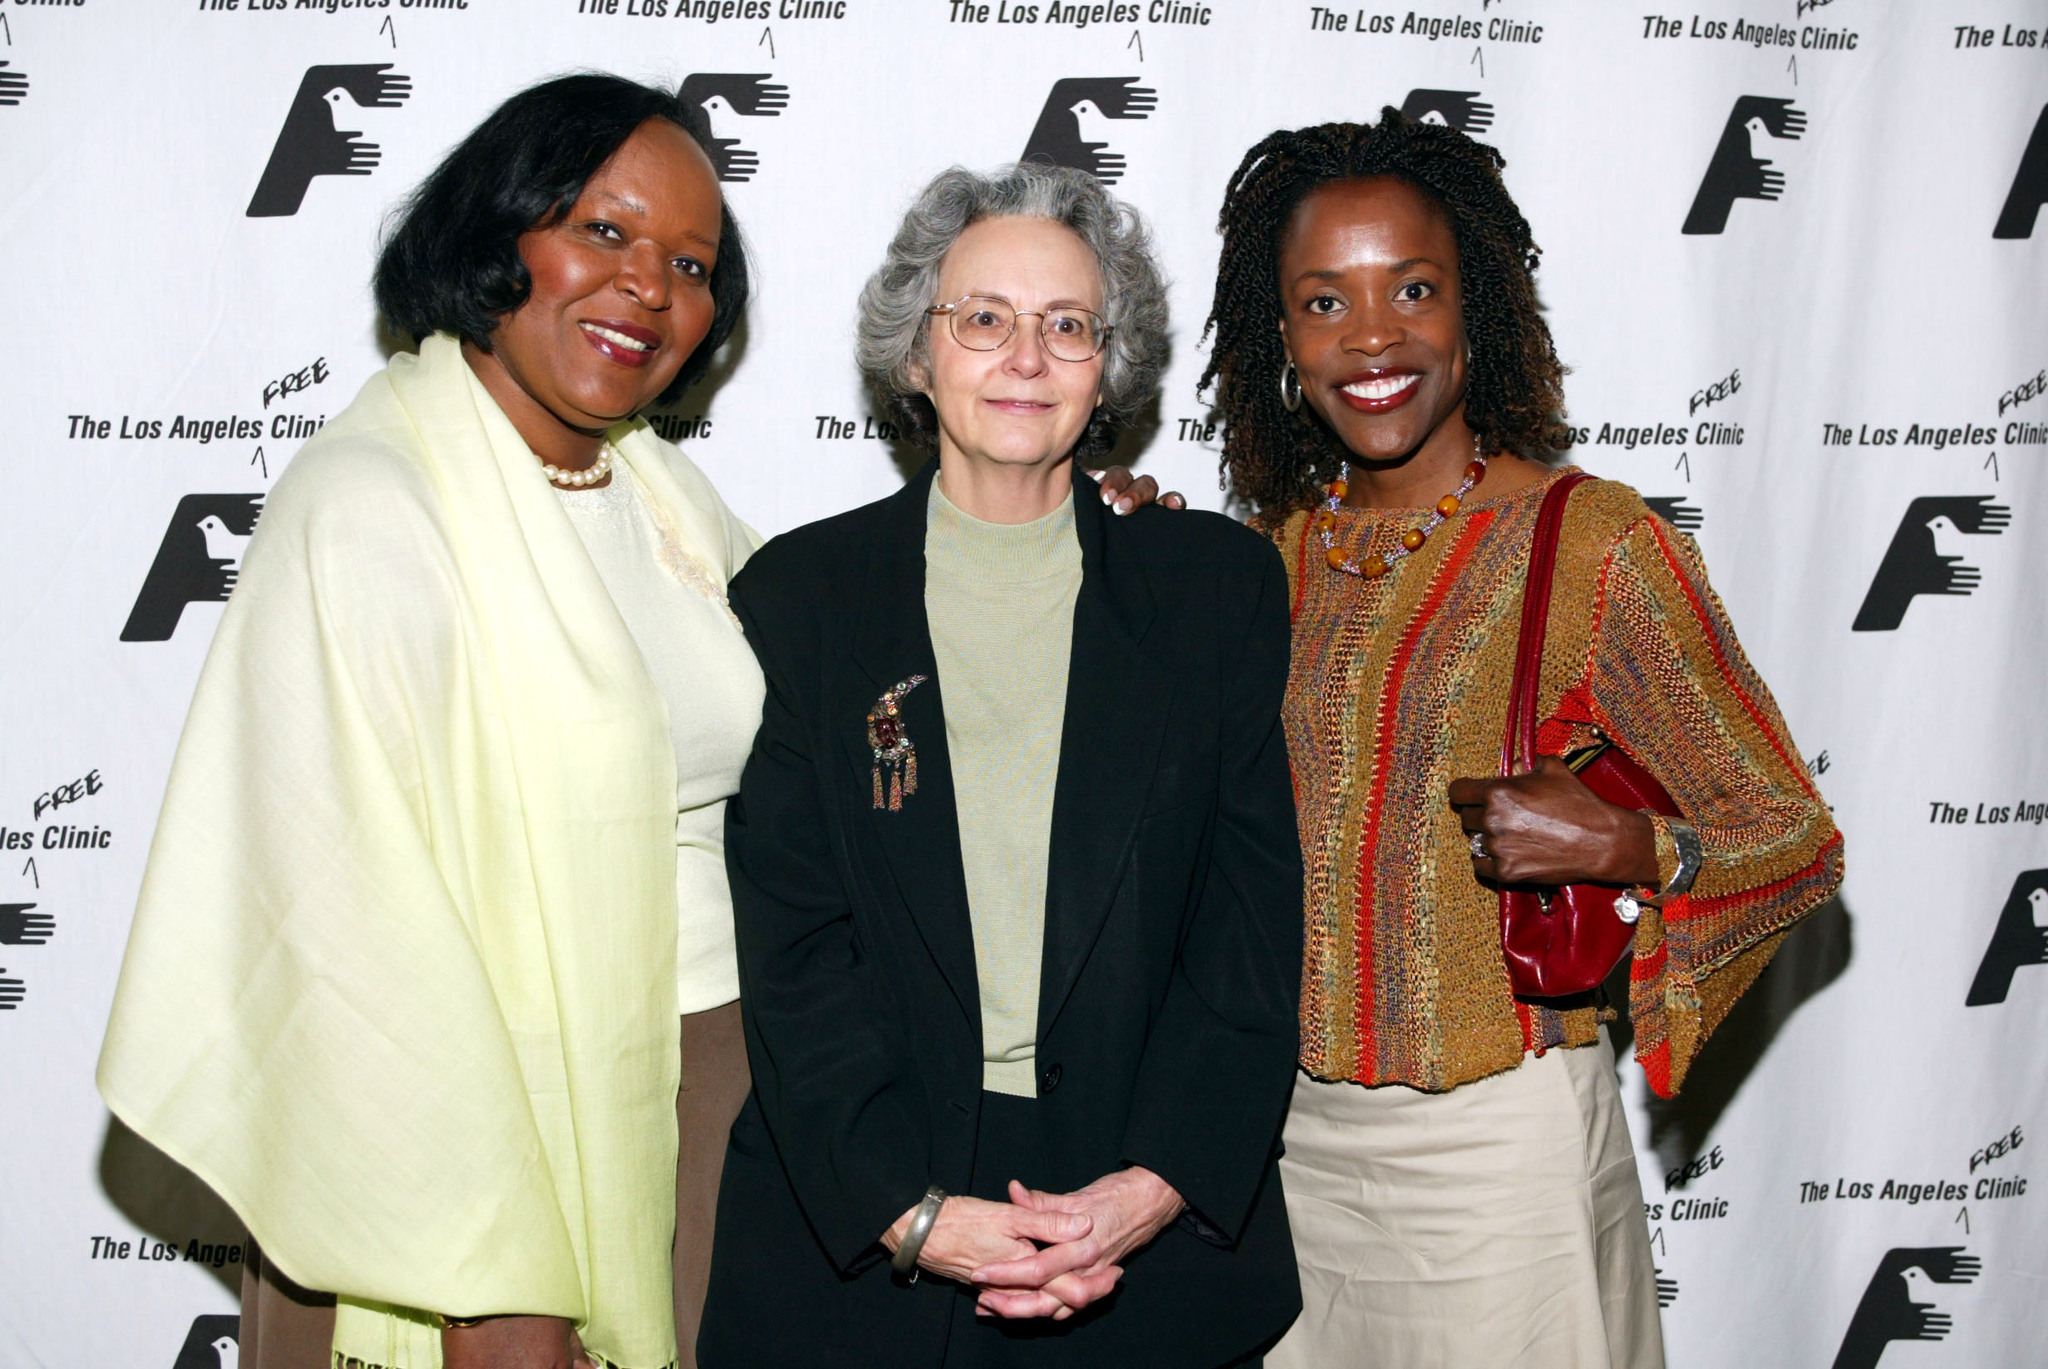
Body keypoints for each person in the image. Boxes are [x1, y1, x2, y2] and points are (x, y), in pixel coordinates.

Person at [98, 74, 761, 1369]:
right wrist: (492, 1290)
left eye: (691, 263)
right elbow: (353, 939)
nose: (649, 287)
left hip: (705, 1097)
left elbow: (859, 683)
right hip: (467, 1149)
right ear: (496, 234)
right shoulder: (369, 504)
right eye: (604, 231)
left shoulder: (666, 496)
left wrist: (1089, 546)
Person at [1197, 112, 1845, 1368]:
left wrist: (1626, 841)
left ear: (1472, 307)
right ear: (1280, 339)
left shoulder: (1593, 543)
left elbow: (1792, 842)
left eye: (1413, 289)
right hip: (1279, 1156)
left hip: (1497, 1160)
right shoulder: (1265, 558)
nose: (1371, 336)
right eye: (1324, 300)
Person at [696, 163, 1303, 1368]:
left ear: (1106, 369)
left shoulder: (1216, 592)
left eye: (1066, 325)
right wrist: (912, 1215)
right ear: (917, 355)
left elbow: (1244, 931)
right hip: (861, 1235)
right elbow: (795, 951)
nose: (1025, 356)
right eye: (983, 319)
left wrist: (1149, 1190)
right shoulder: (799, 599)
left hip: (1147, 1237)